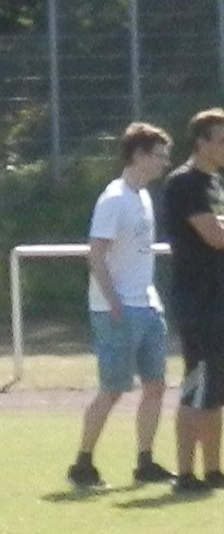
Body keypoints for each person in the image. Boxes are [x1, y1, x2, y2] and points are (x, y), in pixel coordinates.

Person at [84, 119, 179, 490]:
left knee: (156, 385)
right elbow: (96, 254)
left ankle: (145, 461)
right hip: (118, 309)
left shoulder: (142, 197)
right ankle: (83, 463)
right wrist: (114, 302)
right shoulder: (114, 198)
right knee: (113, 389)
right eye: (159, 155)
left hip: (147, 305)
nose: (164, 163)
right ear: (138, 155)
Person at [165, 113, 224, 495]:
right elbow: (214, 236)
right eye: (220, 139)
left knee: (216, 388)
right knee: (197, 384)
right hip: (198, 302)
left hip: (219, 298)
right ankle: (185, 473)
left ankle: (213, 470)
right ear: (201, 142)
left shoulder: (216, 181)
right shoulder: (184, 182)